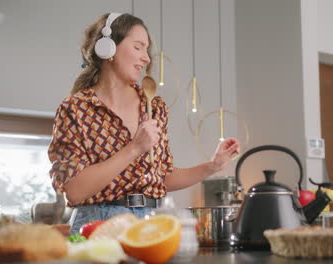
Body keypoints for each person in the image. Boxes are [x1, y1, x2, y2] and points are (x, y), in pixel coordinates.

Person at [48, 13, 240, 234]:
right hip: (96, 226)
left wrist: (212, 166)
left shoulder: (153, 106)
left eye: (146, 49)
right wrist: (134, 148)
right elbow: (74, 190)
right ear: (108, 48)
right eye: (138, 47)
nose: (147, 58)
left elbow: (161, 178)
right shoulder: (76, 108)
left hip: (149, 223)